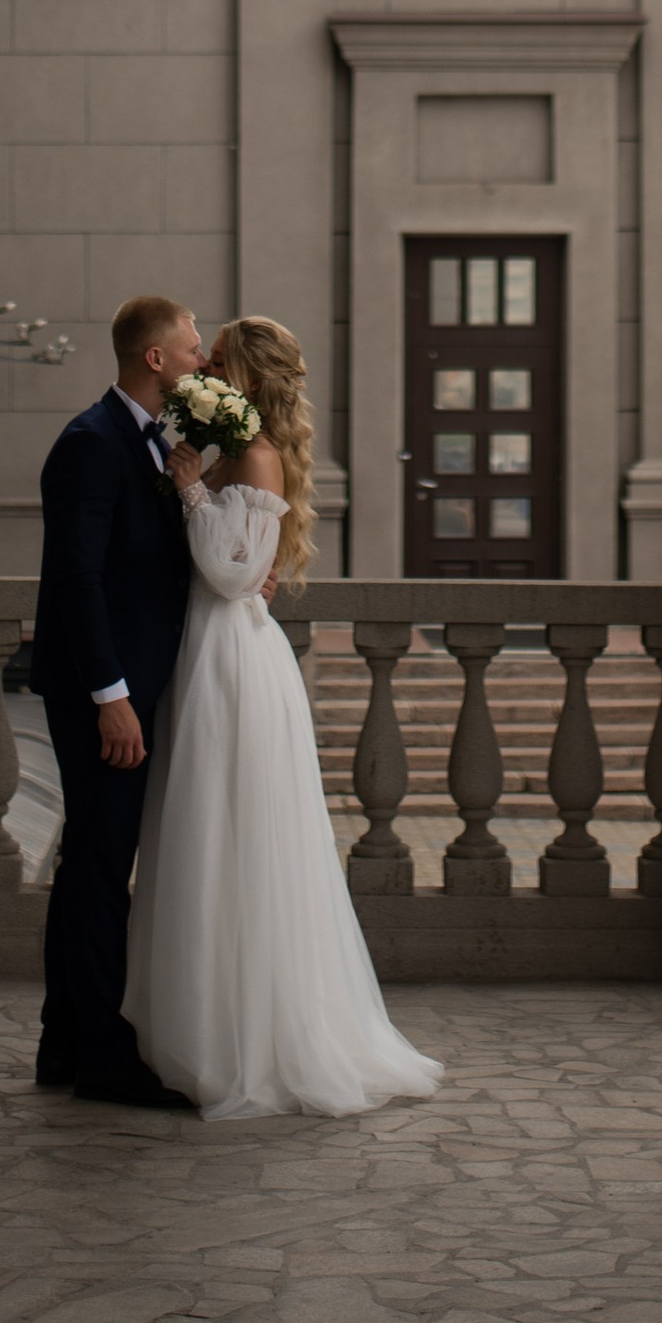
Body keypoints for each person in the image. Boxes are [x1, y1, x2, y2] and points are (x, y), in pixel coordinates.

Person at [126, 313, 443, 1123]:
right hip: (205, 652)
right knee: (201, 835)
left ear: (249, 378)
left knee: (235, 835)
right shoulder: (226, 445)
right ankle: (196, 1026)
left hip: (234, 659)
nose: (204, 369)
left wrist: (192, 483)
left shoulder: (254, 453)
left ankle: (250, 1041)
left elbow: (235, 578)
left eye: (218, 360)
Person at [27, 292, 203, 1106]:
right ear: (155, 359)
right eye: (192, 348)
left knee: (90, 866)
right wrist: (112, 696)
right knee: (100, 869)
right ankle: (99, 1055)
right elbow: (76, 581)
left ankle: (65, 1040)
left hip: (133, 687)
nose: (202, 360)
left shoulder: (151, 442)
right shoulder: (91, 444)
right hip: (105, 694)